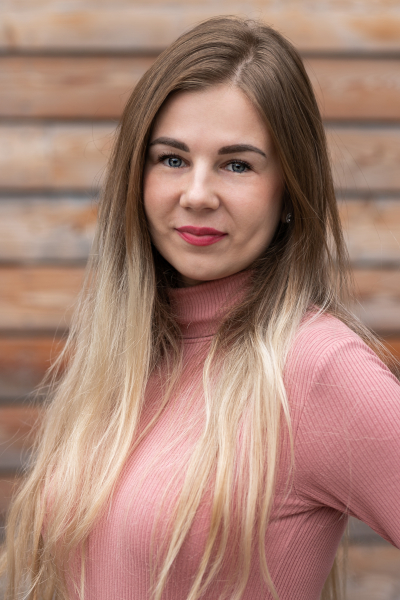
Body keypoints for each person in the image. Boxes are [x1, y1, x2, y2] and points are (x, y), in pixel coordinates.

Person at [2, 15, 400, 600]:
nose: (196, 194)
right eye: (172, 159)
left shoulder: (317, 367)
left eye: (237, 164)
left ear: (290, 189)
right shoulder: (125, 359)